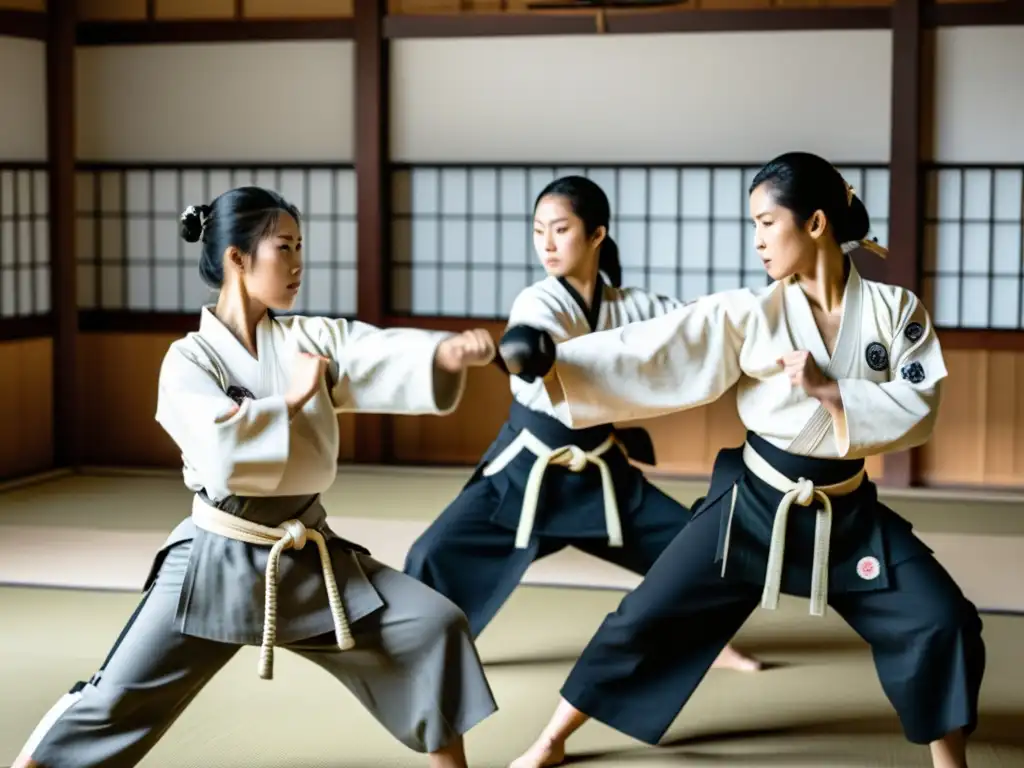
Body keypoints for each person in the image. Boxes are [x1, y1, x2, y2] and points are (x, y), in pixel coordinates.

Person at [506, 153, 985, 768]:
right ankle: (551, 741)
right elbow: (653, 350)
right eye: (752, 225)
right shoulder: (750, 312)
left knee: (941, 620)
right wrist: (554, 363)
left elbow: (920, 404)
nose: (756, 240)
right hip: (752, 506)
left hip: (847, 512)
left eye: (765, 223)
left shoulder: (896, 311)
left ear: (814, 223)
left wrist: (832, 392)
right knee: (645, 617)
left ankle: (952, 764)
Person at [13, 187, 499, 768]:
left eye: (301, 247)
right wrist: (290, 401)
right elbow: (220, 452)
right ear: (236, 260)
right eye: (283, 247)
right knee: (114, 700)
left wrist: (442, 356)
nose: (297, 264)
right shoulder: (189, 359)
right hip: (216, 558)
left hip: (308, 557)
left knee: (434, 626)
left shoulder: (306, 340)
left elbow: (371, 350)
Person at [403, 175, 760, 674]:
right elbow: (531, 341)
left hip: (601, 474)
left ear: (596, 235)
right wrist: (523, 353)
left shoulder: (630, 305)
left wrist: (764, 310)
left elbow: (694, 324)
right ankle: (421, 654)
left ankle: (705, 642)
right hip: (527, 471)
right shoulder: (539, 300)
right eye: (538, 230)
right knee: (433, 553)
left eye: (561, 229)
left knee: (697, 550)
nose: (546, 243)